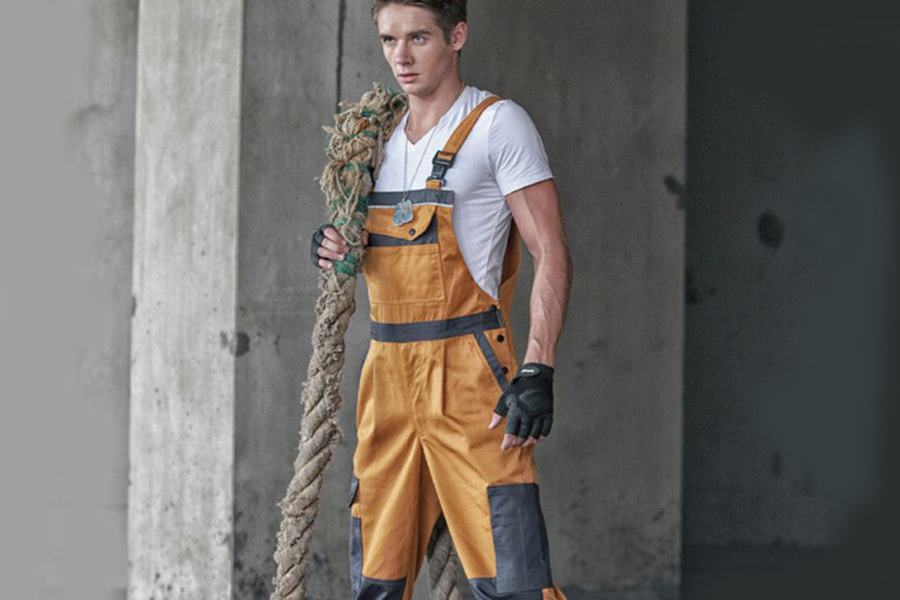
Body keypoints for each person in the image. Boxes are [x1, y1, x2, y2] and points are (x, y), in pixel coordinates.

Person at [311, 2, 573, 599]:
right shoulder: (371, 140)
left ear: (457, 36)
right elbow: (361, 239)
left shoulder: (497, 125)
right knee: (376, 583)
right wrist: (331, 245)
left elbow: (551, 251)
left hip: (473, 384)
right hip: (386, 381)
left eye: (418, 38)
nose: (401, 57)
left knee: (512, 584)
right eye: (388, 40)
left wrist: (537, 368)